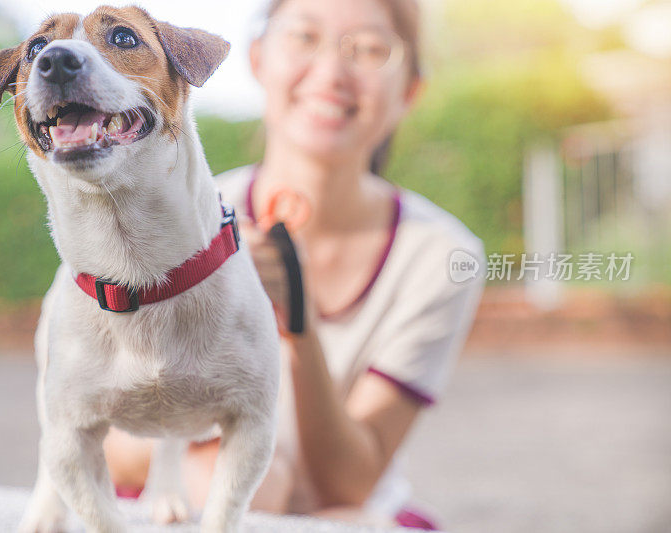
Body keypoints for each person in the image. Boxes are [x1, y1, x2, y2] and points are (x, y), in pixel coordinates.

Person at [103, 0, 486, 528]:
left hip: (350, 509)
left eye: (371, 49)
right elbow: (104, 440)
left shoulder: (440, 255)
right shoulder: (169, 221)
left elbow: (349, 482)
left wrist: (295, 318)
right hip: (190, 489)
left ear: (410, 90)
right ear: (258, 59)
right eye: (304, 37)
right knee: (241, 477)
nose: (331, 73)